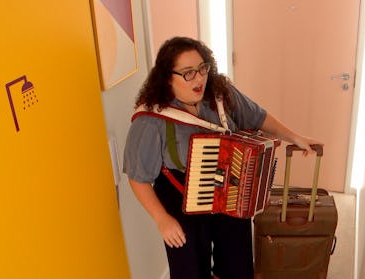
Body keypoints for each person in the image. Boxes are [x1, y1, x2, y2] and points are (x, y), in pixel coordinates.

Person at [123, 36, 320, 279]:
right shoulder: (151, 119)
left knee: (238, 264)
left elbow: (259, 117)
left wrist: (295, 137)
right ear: (166, 77)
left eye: (202, 68)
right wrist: (162, 219)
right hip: (179, 193)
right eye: (188, 73)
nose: (199, 78)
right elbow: (138, 178)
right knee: (190, 270)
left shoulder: (221, 95)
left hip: (230, 185)